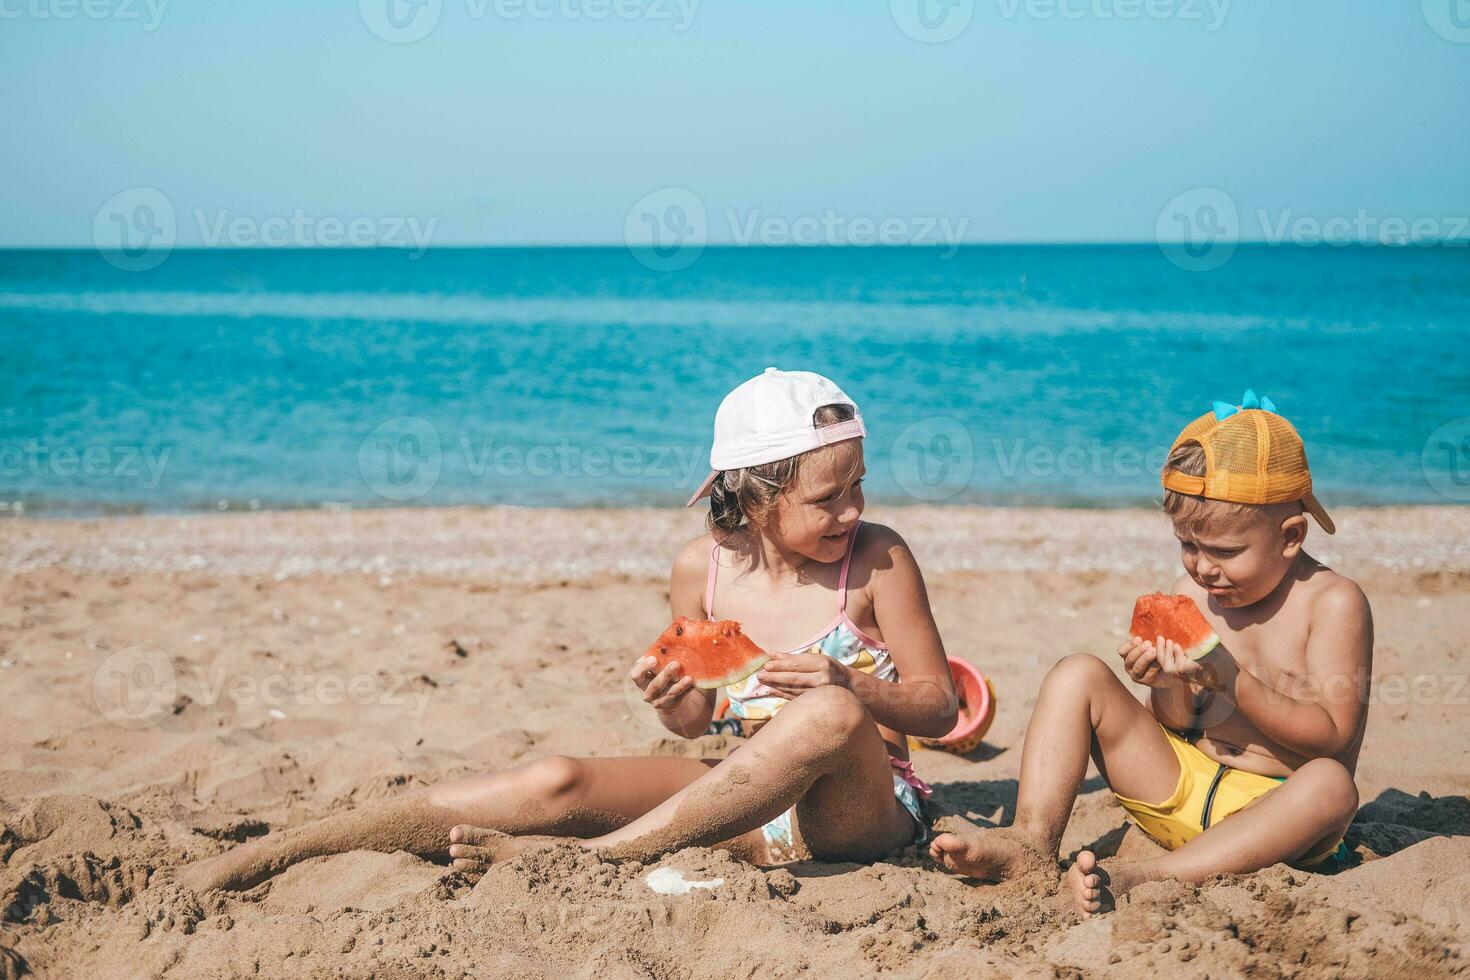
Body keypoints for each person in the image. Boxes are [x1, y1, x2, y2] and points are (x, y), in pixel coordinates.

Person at [177, 368, 957, 892]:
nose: (851, 510)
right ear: (755, 497)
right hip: (741, 802)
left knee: (827, 713)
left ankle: (594, 862)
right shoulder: (703, 569)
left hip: (860, 811)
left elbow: (940, 707)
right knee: (556, 779)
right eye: (828, 498)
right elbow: (698, 724)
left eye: (858, 486)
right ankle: (289, 848)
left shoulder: (879, 559)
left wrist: (850, 684)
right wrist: (672, 702)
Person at [929, 391, 1371, 917]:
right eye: (1188, 545)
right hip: (1179, 788)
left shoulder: (1333, 603)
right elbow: (1179, 725)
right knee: (1078, 674)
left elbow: (1334, 741)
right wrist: (1166, 687)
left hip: (1272, 818)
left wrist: (1231, 679)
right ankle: (1031, 841)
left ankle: (1146, 876)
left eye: (1226, 553)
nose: (1204, 569)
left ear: (1291, 537)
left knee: (1334, 787)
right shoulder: (1199, 594)